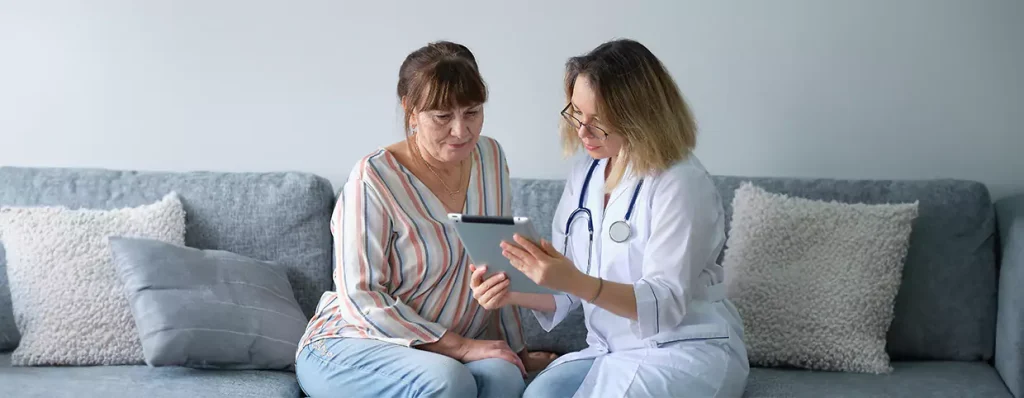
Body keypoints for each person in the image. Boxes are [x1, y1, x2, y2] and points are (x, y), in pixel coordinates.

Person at [469, 39, 750, 397]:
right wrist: (510, 291)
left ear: (640, 117)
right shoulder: (587, 171)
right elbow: (564, 287)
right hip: (613, 351)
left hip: (682, 348)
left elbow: (665, 304)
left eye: (598, 121)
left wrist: (575, 280)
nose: (583, 132)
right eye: (576, 114)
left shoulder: (681, 183)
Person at [295, 41, 556, 398]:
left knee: (506, 376)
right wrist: (459, 347)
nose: (461, 131)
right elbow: (362, 297)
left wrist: (517, 351)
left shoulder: (490, 158)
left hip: (449, 346)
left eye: (472, 112)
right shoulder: (372, 178)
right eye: (442, 117)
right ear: (410, 110)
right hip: (352, 342)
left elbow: (498, 266)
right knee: (448, 380)